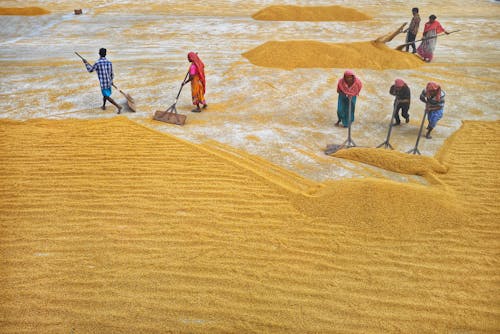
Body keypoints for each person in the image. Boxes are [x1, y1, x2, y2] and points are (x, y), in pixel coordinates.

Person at [83, 48, 122, 113]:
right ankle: (103, 106)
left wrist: (86, 63)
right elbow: (112, 73)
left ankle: (118, 106)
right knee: (105, 95)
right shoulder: (109, 62)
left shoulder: (97, 63)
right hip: (109, 82)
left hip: (103, 84)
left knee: (106, 96)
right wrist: (111, 81)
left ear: (99, 54)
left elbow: (90, 70)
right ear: (105, 54)